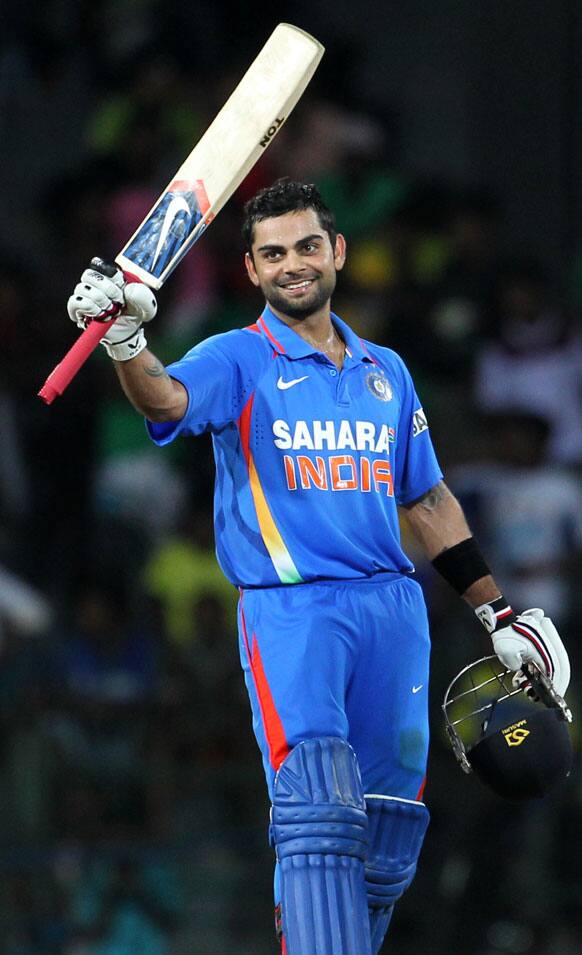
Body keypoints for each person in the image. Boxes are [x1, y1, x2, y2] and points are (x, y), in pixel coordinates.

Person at [67, 178, 571, 955]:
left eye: (307, 246)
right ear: (252, 269)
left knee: (390, 827)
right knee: (320, 810)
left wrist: (498, 611)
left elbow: (429, 500)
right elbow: (164, 402)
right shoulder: (238, 357)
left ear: (337, 251)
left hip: (395, 611)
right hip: (295, 612)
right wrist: (127, 342)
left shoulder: (387, 372)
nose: (293, 264)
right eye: (274, 253)